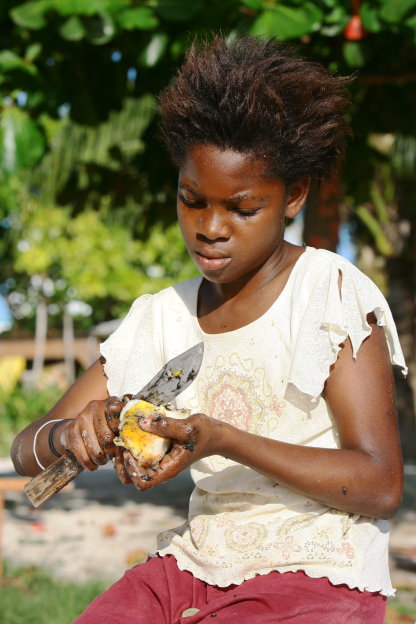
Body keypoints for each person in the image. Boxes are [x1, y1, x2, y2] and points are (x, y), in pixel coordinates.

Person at [11, 36, 407, 623]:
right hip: (194, 566)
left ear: (292, 196)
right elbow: (26, 449)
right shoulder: (161, 317)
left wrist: (225, 439)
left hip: (319, 572)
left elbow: (379, 485)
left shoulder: (328, 294)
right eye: (191, 200)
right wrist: (67, 436)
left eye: (241, 209)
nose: (210, 228)